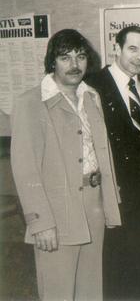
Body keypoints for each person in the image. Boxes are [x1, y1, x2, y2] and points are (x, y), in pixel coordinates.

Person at [10, 29, 121, 301]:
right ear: (52, 62)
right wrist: (41, 223)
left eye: (81, 56)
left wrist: (109, 204)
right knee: (58, 291)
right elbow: (25, 170)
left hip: (92, 205)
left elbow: (102, 154)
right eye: (65, 57)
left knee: (90, 290)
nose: (74, 65)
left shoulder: (91, 97)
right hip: (56, 213)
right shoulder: (30, 103)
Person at [86, 25, 140, 300]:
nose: (139, 57)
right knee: (110, 268)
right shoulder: (93, 85)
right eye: (133, 49)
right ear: (116, 48)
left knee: (139, 265)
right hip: (108, 194)